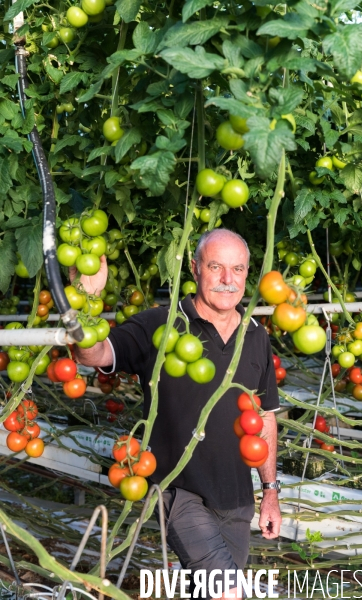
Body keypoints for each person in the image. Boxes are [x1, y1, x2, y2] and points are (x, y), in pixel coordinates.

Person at [73, 228, 281, 599]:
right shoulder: (161, 325)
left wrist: (269, 491)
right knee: (229, 593)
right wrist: (84, 304)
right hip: (177, 495)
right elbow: (94, 354)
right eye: (215, 266)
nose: (227, 280)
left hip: (237, 500)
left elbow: (265, 417)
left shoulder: (256, 335)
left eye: (238, 269)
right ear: (194, 267)